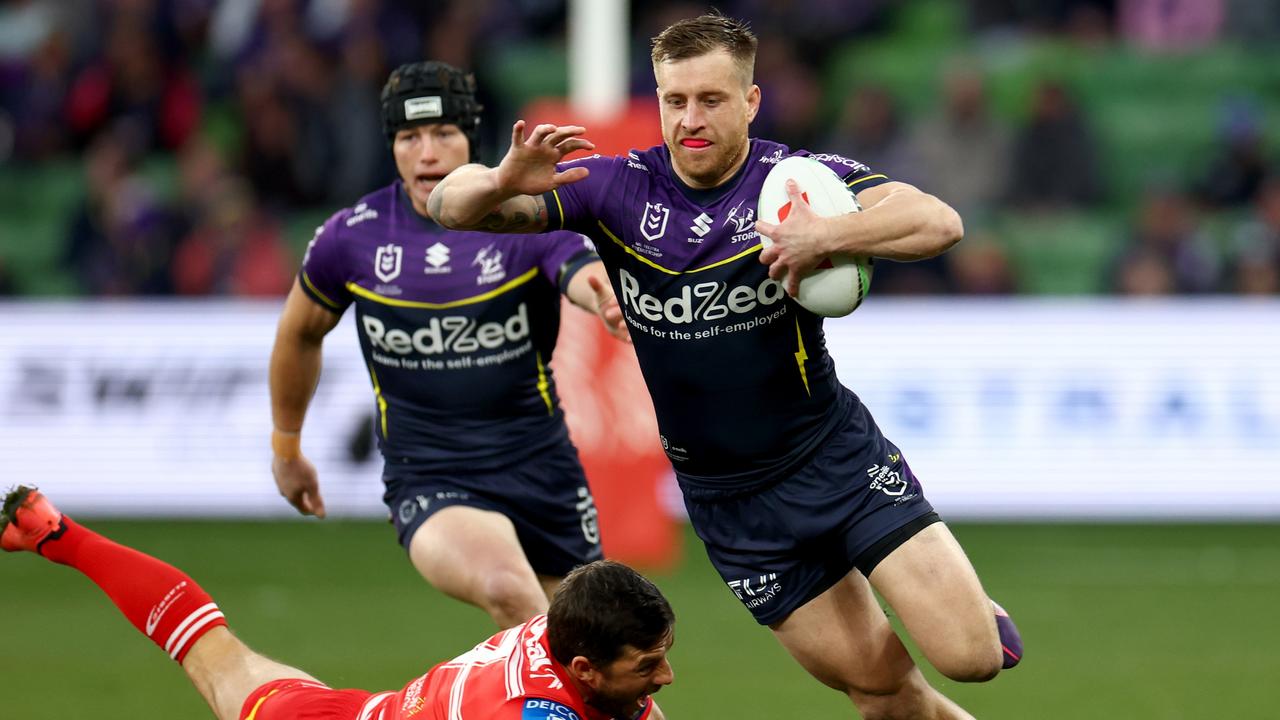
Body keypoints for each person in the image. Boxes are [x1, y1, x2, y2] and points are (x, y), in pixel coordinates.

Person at [428, 13, 1022, 719]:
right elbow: (445, 205)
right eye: (674, 101)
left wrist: (824, 234)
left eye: (710, 100)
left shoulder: (793, 181)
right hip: (730, 503)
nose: (689, 119)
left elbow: (938, 222)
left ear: (750, 101)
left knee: (971, 658)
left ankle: (958, 605)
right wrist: (500, 180)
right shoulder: (616, 188)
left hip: (832, 459)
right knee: (885, 694)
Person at [269, 61, 627, 629]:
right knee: (514, 595)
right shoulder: (353, 238)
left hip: (543, 471)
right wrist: (286, 447)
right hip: (431, 475)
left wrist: (604, 297)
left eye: (443, 133)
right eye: (410, 137)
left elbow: (579, 269)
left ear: (471, 138)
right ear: (392, 146)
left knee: (604, 647)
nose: (427, 153)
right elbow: (299, 333)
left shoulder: (519, 220)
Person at [1, 486, 673, 720]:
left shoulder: (564, 627)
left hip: (359, 712)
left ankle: (54, 531)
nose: (663, 676)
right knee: (210, 660)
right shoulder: (524, 713)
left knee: (214, 652)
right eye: (648, 665)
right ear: (583, 669)